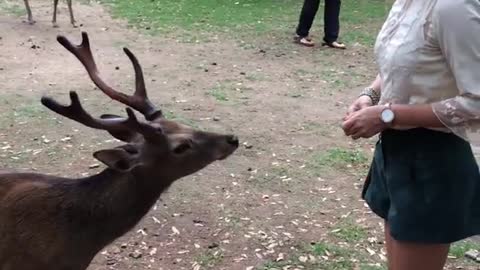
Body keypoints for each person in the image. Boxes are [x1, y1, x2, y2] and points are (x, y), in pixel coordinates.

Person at [342, 0, 480, 269]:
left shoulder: (453, 8)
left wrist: (388, 115)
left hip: (433, 161)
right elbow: (401, 62)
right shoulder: (407, 2)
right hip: (396, 150)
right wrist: (370, 95)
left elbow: (477, 101)